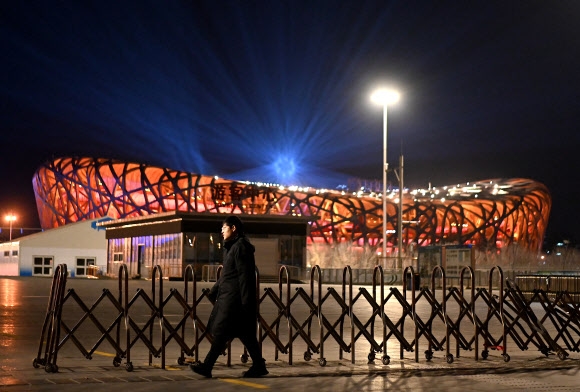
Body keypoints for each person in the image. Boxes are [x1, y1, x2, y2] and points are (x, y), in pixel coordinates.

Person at [190, 215, 268, 378]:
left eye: (224, 228)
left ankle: (207, 366)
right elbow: (228, 274)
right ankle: (258, 365)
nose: (221, 231)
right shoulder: (233, 247)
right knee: (244, 334)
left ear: (234, 228)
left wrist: (247, 303)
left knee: (223, 332)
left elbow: (245, 277)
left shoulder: (241, 247)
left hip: (235, 300)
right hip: (231, 297)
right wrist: (215, 290)